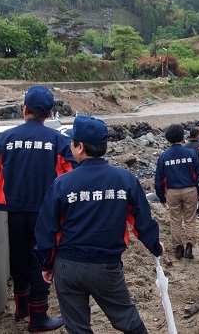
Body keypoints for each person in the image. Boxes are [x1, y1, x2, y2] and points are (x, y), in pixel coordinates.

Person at [34, 115, 162, 334]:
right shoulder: (125, 179)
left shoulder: (62, 183)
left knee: (77, 327)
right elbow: (141, 219)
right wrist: (154, 246)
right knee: (127, 319)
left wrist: (46, 262)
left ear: (80, 147)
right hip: (107, 266)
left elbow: (47, 229)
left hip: (68, 266)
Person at [0, 85, 76, 331]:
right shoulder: (58, 140)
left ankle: (21, 305)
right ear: (49, 113)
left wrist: (8, 182)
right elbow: (71, 172)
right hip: (45, 210)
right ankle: (38, 315)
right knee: (41, 257)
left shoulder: (5, 137)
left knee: (19, 254)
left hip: (14, 208)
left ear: (24, 109)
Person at [155, 124, 199, 260]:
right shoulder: (191, 153)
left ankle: (178, 248)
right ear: (182, 137)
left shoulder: (164, 156)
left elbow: (159, 179)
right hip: (190, 190)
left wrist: (161, 198)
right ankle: (189, 246)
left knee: (175, 220)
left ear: (168, 138)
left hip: (172, 192)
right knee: (190, 220)